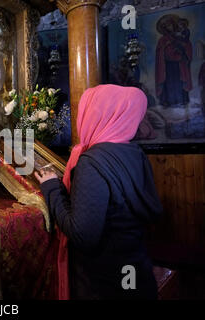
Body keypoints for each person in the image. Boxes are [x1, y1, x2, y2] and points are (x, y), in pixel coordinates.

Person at [34, 84, 163, 300]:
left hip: (106, 281)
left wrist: (51, 189)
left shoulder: (94, 162)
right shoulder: (133, 152)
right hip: (134, 271)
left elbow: (83, 235)